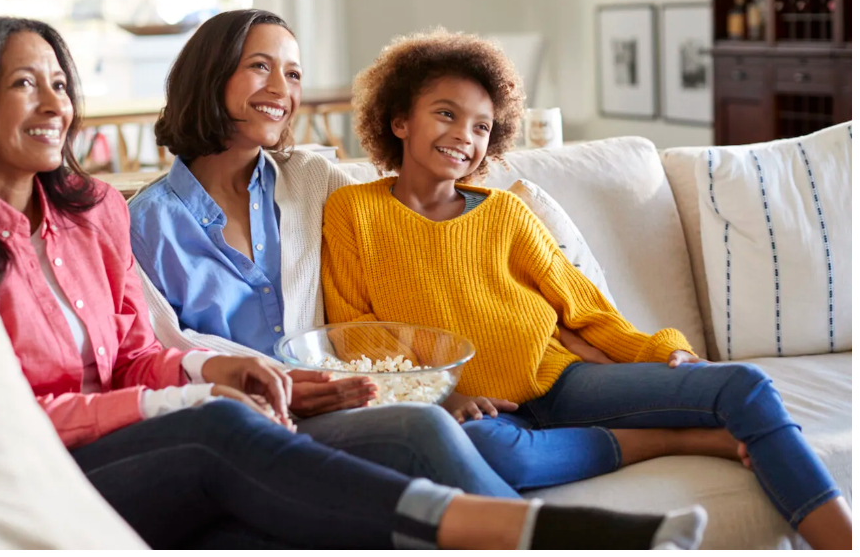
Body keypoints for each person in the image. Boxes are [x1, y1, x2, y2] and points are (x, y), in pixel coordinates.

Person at [0, 16, 709, 550]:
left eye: (59, 82)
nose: (54, 102)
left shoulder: (89, 214)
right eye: (23, 83)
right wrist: (183, 400)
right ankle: (518, 533)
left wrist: (208, 372)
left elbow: (133, 349)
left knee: (360, 461)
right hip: (55, 463)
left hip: (241, 419)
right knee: (216, 438)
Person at [321, 28, 852, 550]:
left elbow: (584, 307)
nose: (465, 134)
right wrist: (444, 394)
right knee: (501, 458)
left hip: (561, 381)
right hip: (477, 410)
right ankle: (670, 441)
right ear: (398, 121)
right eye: (446, 113)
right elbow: (358, 333)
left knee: (744, 386)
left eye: (482, 126)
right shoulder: (352, 210)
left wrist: (660, 349)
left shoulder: (505, 213)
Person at [128, 8, 621, 501]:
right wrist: (286, 383)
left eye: (294, 73)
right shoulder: (142, 225)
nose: (282, 88)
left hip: (356, 401)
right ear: (211, 76)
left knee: (471, 440)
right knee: (434, 435)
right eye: (261, 66)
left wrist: (558, 319)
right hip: (253, 419)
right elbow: (164, 351)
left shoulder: (311, 180)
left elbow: (404, 229)